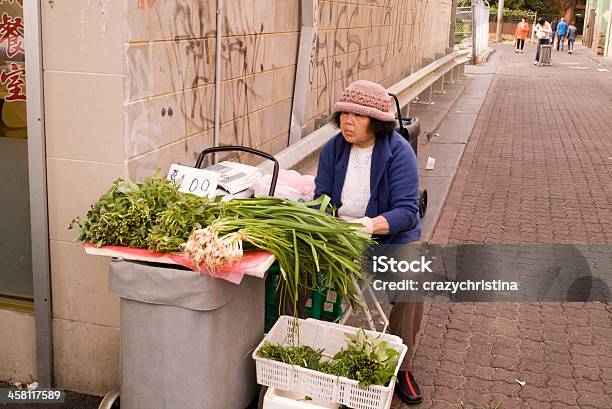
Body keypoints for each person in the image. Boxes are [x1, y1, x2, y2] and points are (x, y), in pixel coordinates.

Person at [314, 80, 423, 405]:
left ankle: (401, 365)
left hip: (385, 236)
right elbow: (321, 196)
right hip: (340, 236)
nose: (348, 121)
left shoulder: (398, 152)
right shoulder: (333, 149)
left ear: (376, 120)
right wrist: (329, 225)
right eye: (344, 114)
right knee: (293, 263)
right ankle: (296, 344)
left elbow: (406, 211)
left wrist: (369, 226)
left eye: (357, 116)